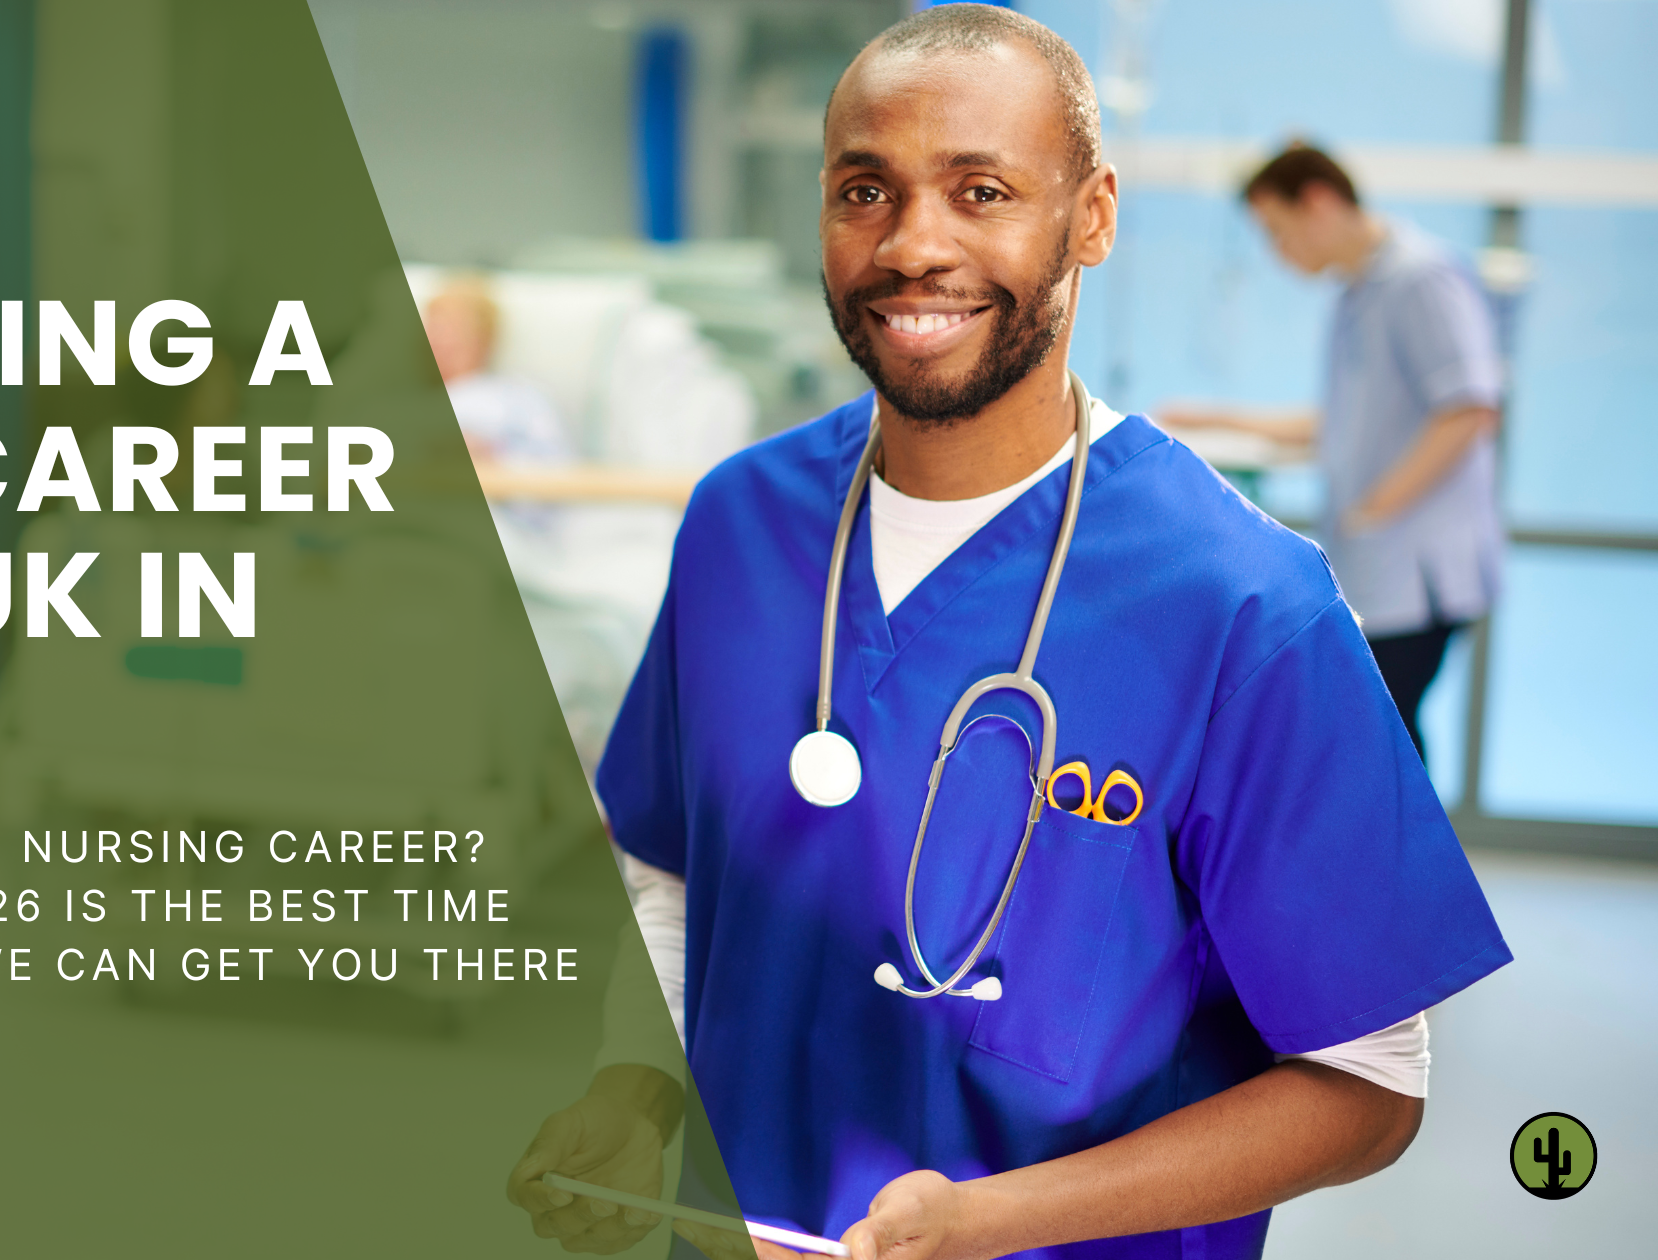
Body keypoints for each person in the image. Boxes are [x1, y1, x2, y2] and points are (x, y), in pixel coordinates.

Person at [504, 9, 1509, 1260]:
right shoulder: (737, 528)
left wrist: (991, 1223)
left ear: (1089, 216)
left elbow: (1368, 1086)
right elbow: (670, 876)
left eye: (980, 190)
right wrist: (633, 1091)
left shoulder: (1244, 605)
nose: (913, 243)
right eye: (864, 188)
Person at [1163, 144, 1506, 757]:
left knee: (1379, 742)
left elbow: (1470, 407)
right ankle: (1394, 852)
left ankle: (1403, 854)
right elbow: (1346, 425)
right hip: (1379, 568)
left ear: (1317, 202)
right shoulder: (1360, 293)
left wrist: (1377, 505)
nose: (1277, 252)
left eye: (1276, 230)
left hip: (1418, 576)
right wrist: (1221, 418)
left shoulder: (1419, 278)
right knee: (1379, 740)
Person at [421, 275, 575, 467]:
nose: (438, 339)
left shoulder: (519, 400)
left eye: (451, 329)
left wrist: (489, 454)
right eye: (433, 327)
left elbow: (559, 472)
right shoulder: (407, 397)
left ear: (483, 339)